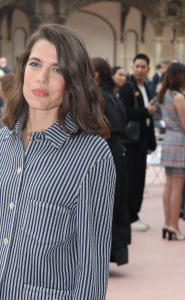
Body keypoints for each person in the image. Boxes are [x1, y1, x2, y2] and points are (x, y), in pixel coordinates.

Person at [0, 24, 115, 299]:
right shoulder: (2, 143)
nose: (41, 78)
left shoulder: (91, 156)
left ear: (73, 81)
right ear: (22, 71)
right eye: (35, 64)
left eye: (57, 69)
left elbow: (92, 266)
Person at [92, 57, 130, 266]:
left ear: (96, 74)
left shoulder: (98, 95)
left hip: (105, 150)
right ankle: (113, 253)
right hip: (115, 150)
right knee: (114, 202)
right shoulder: (111, 94)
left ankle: (105, 254)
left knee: (104, 203)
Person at [119, 53, 157, 231]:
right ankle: (130, 216)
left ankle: (135, 214)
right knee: (132, 180)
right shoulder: (128, 87)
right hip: (131, 142)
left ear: (148, 69)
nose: (140, 70)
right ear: (132, 68)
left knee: (139, 179)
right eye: (137, 66)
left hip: (142, 141)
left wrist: (151, 142)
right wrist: (145, 111)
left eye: (143, 67)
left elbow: (149, 117)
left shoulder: (146, 87)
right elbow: (124, 113)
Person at [158, 63, 185, 240]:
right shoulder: (178, 97)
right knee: (177, 187)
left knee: (169, 185)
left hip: (168, 140)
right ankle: (174, 226)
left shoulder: (164, 95)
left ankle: (168, 223)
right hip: (179, 142)